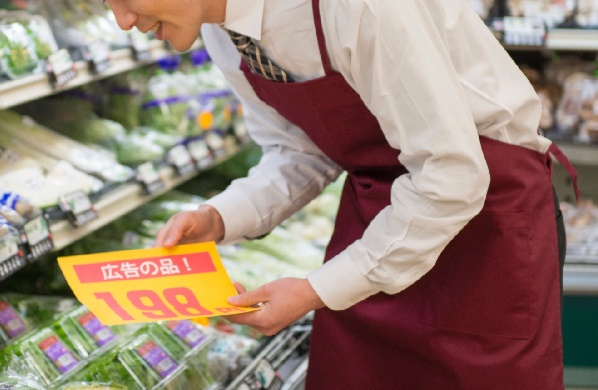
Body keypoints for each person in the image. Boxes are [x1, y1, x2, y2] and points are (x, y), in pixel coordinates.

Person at [106, 0, 571, 388]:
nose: (121, 20)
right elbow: (300, 150)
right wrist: (220, 217)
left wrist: (315, 289)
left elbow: (450, 175)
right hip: (377, 220)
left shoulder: (354, 5)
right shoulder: (221, 31)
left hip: (486, 228)